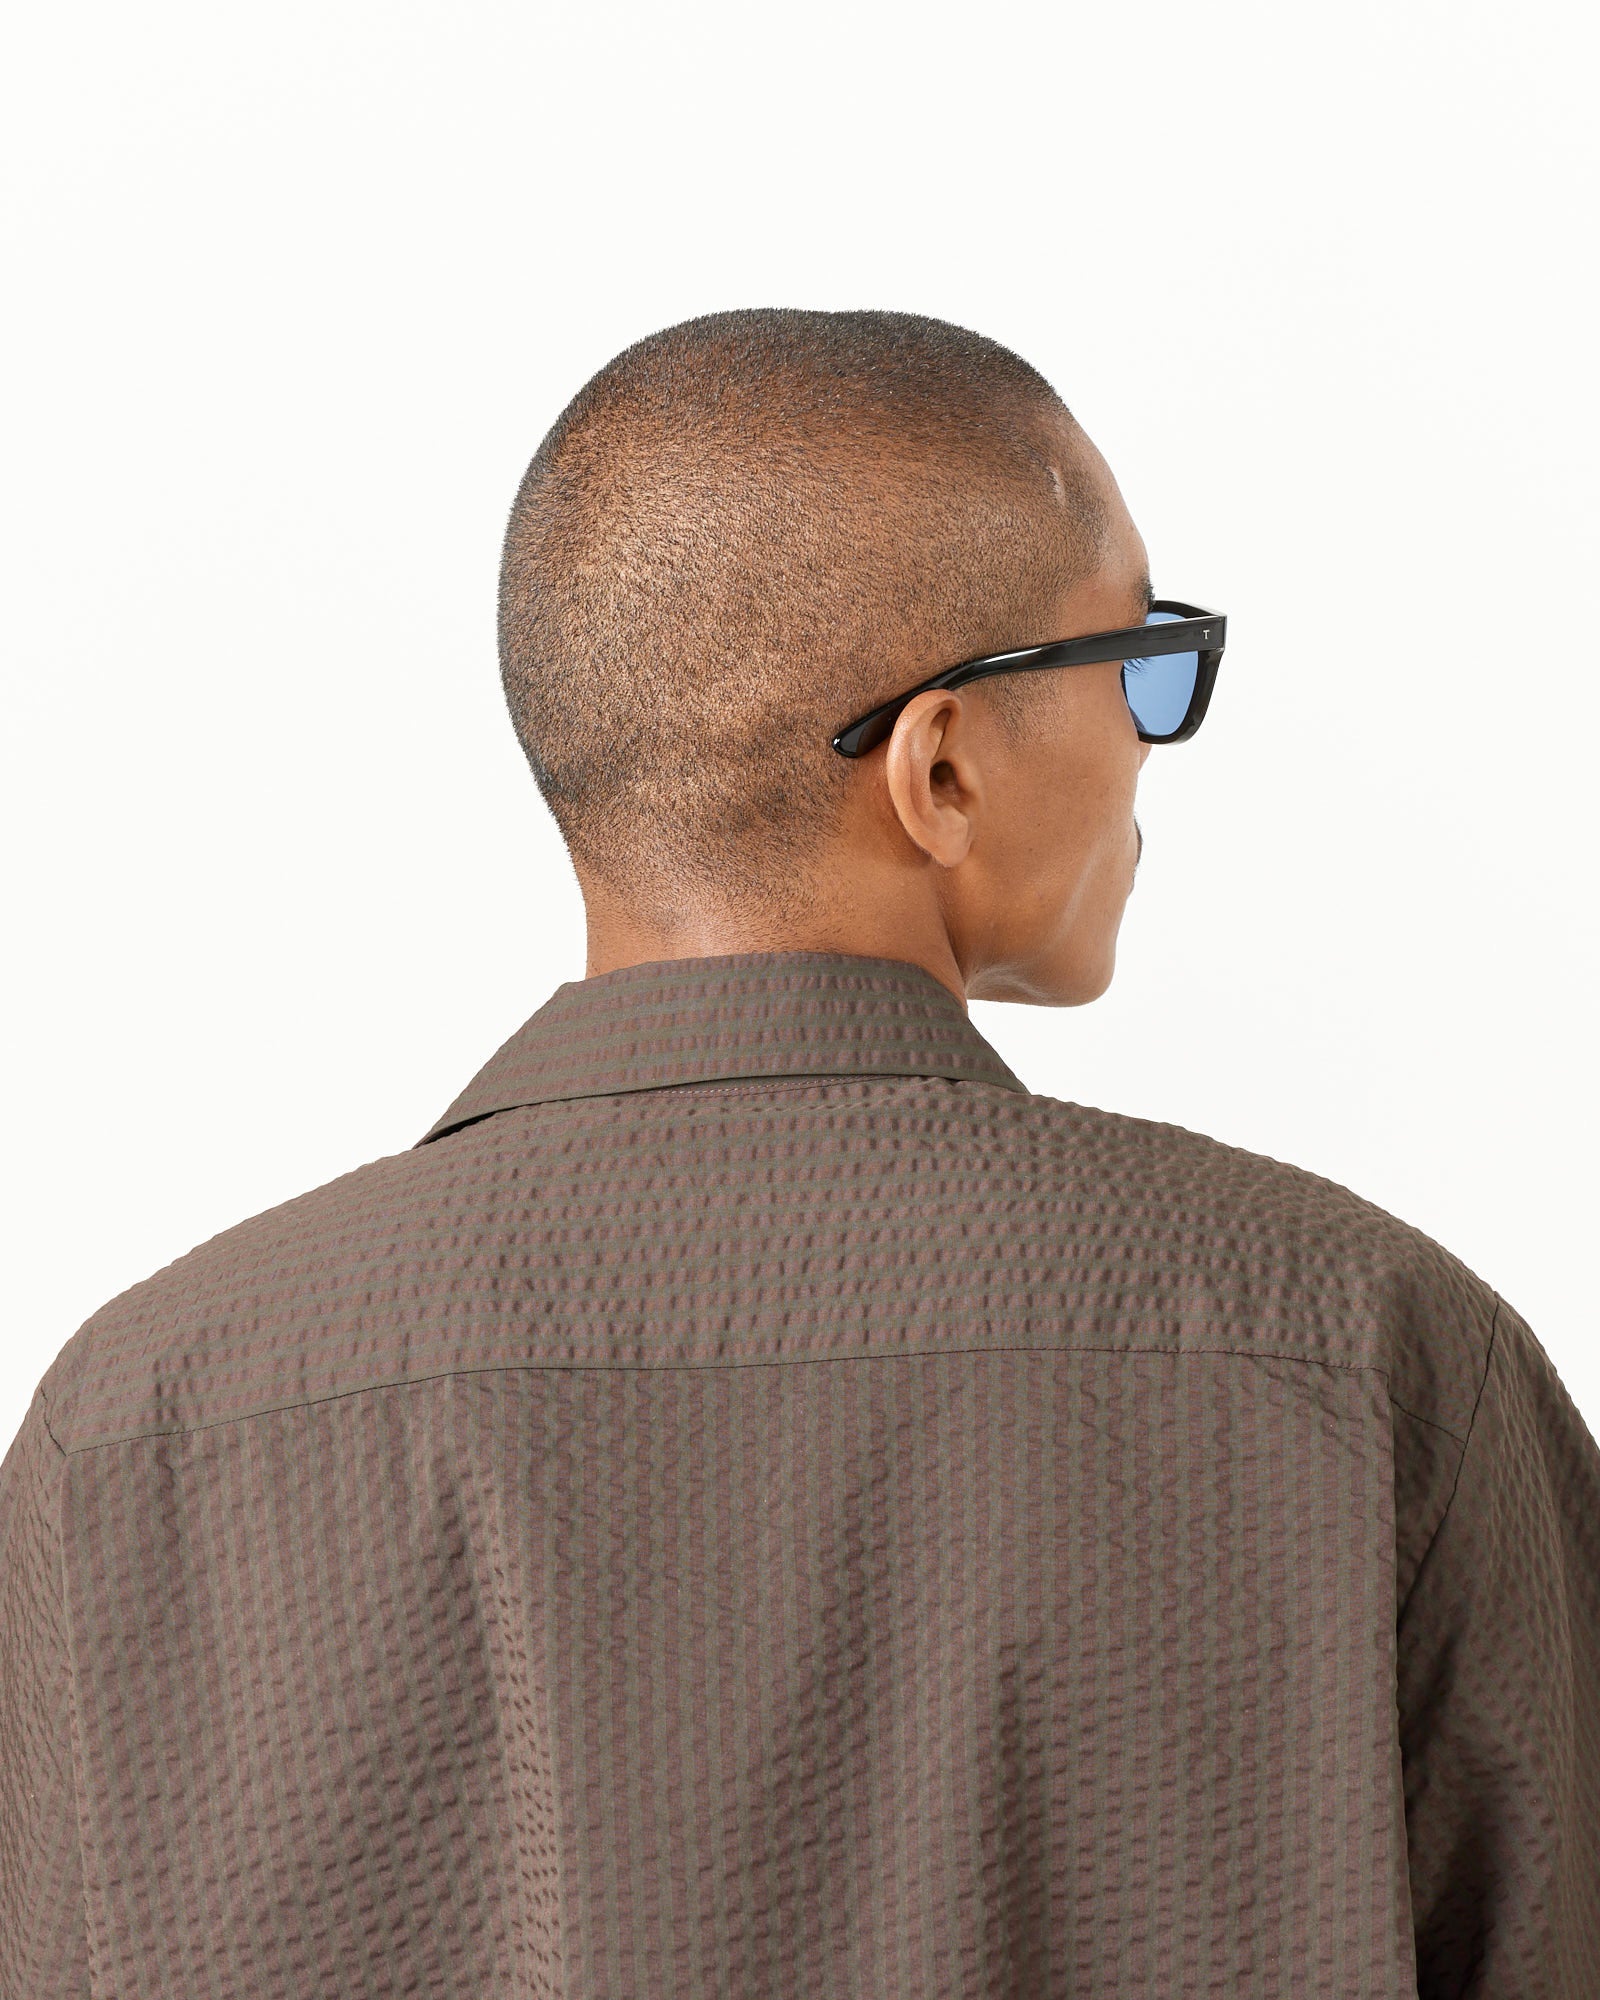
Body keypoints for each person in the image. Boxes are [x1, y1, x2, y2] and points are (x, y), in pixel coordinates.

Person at [0, 308, 1594, 2000]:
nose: (1148, 741)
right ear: (942, 767)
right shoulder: (1364, 1353)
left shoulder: (134, 1425)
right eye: (1138, 659)